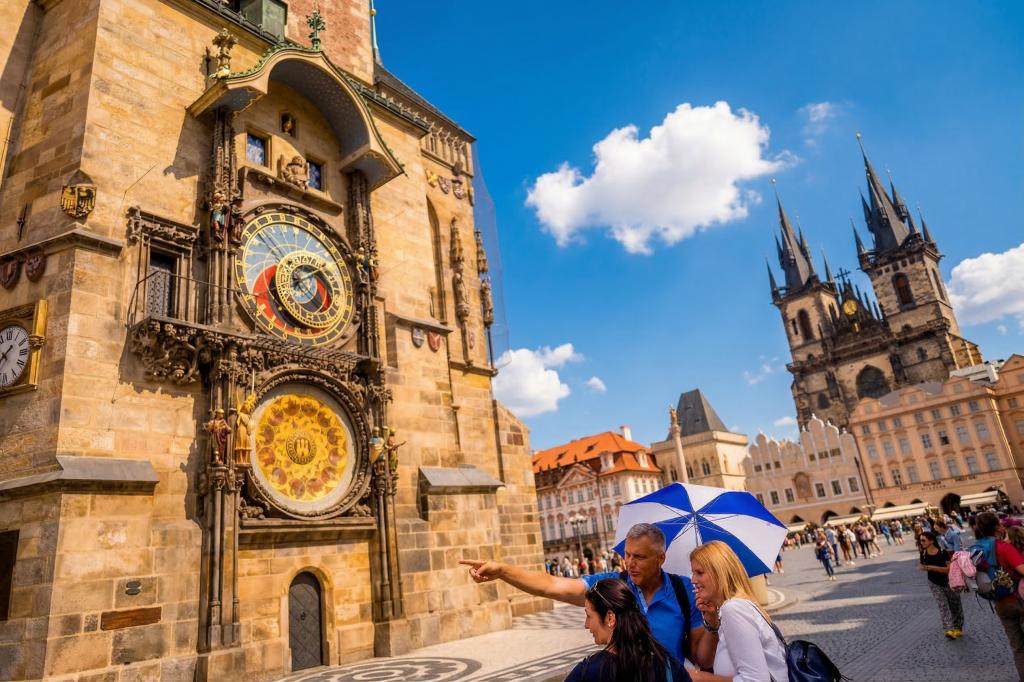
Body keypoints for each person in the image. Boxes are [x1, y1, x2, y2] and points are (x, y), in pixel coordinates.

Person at [460, 523, 715, 669]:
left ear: (661, 558)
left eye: (639, 557)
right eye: (627, 554)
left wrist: (712, 623)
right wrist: (503, 571)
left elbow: (701, 658)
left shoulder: (684, 590)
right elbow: (552, 585)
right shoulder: (611, 586)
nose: (630, 563)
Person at [687, 541, 788, 682]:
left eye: (699, 573)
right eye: (693, 573)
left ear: (720, 572)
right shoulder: (736, 606)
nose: (693, 580)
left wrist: (701, 677)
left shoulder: (733, 609)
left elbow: (756, 680)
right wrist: (712, 620)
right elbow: (706, 660)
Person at [565, 577, 691, 682]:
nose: (586, 625)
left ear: (610, 618)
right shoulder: (668, 666)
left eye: (588, 616)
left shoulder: (587, 672)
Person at [975, 511, 1024, 679]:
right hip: (1019, 599)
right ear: (997, 527)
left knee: (1017, 647)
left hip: (1000, 602)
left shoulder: (978, 548)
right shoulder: (1003, 547)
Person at [918, 530, 964, 639]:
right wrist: (923, 567)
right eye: (920, 541)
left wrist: (931, 567)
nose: (921, 543)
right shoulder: (923, 553)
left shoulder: (943, 552)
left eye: (924, 540)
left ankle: (958, 627)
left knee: (955, 605)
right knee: (943, 605)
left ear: (931, 541)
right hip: (934, 583)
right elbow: (922, 566)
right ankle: (949, 629)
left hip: (949, 582)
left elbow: (949, 569)